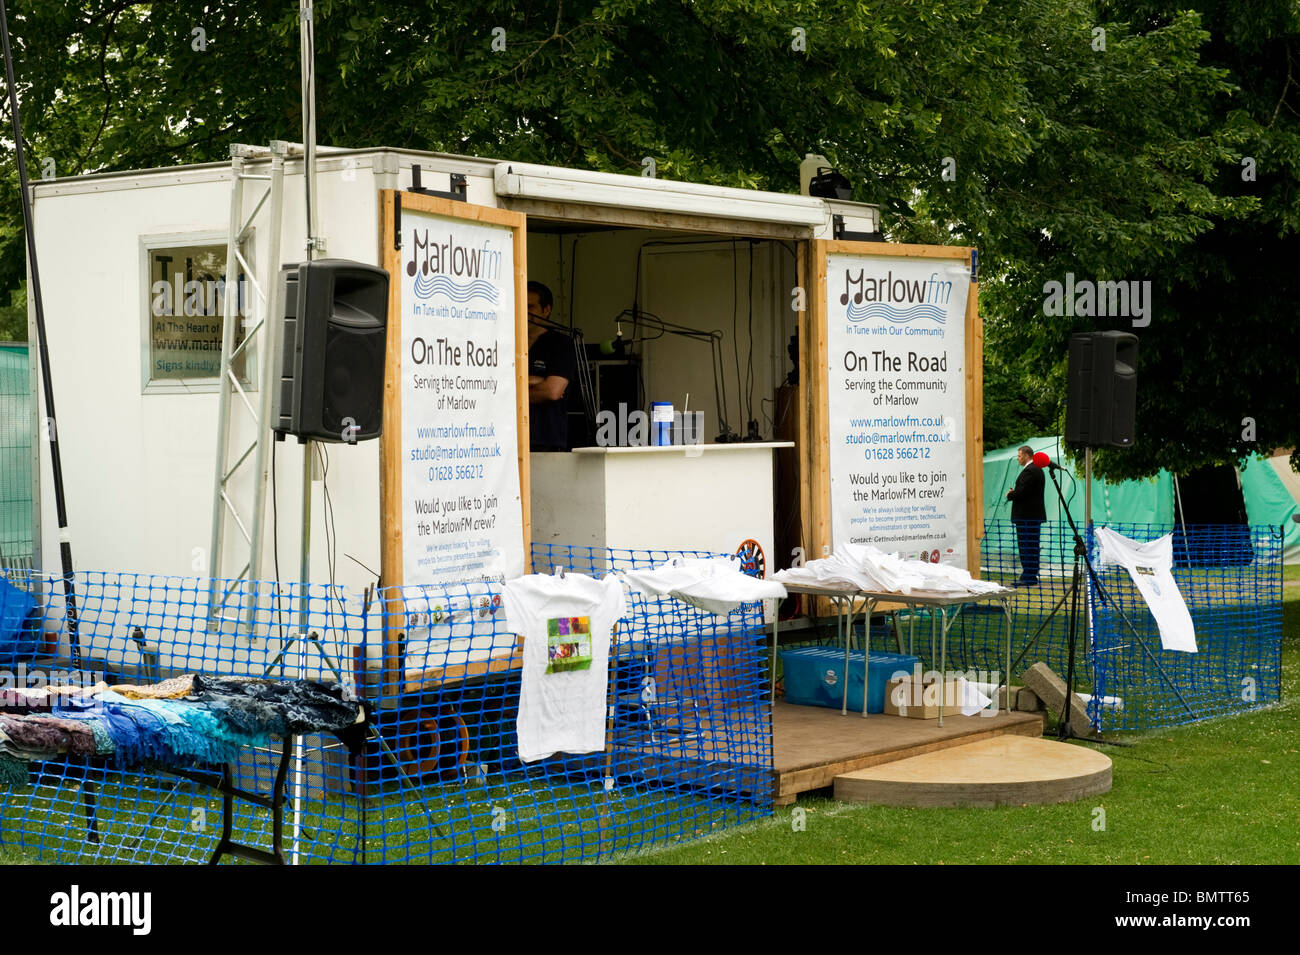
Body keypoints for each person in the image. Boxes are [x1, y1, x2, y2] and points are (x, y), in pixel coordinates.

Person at [526, 281, 577, 452]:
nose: (523, 312)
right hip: (509, 439)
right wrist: (534, 381)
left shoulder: (561, 343)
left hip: (547, 440)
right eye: (519, 305)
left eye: (530, 307)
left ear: (546, 310)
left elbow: (552, 391)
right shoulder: (507, 342)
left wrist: (512, 395)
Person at [1006, 444, 1046, 585]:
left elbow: (1022, 493)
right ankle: (1031, 575)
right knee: (1032, 546)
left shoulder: (1030, 471)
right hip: (1033, 516)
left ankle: (1028, 576)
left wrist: (1011, 494)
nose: (1018, 458)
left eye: (1019, 455)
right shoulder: (1037, 470)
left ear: (1026, 455)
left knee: (1026, 546)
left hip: (1026, 517)